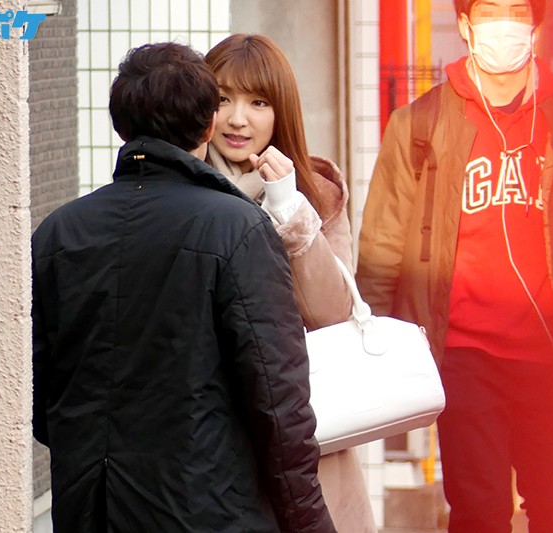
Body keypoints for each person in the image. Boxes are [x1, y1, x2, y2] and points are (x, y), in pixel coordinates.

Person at [32, 42, 336, 533]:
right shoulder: (236, 228)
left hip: (91, 507)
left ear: (120, 126)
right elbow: (279, 402)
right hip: (211, 508)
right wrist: (310, 522)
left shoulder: (58, 232)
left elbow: (42, 395)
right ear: (207, 125)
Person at [356, 1, 553, 532]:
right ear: (464, 26)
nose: (503, 25)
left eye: (517, 11)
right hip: (465, 356)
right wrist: (374, 348)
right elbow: (382, 246)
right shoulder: (420, 123)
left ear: (535, 25)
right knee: (479, 514)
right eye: (489, 11)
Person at [203, 34, 378, 533]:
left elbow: (332, 312)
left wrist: (288, 207)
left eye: (258, 102)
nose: (238, 119)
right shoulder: (181, 189)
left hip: (303, 430)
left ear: (282, 112)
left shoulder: (315, 192)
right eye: (223, 99)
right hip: (214, 433)